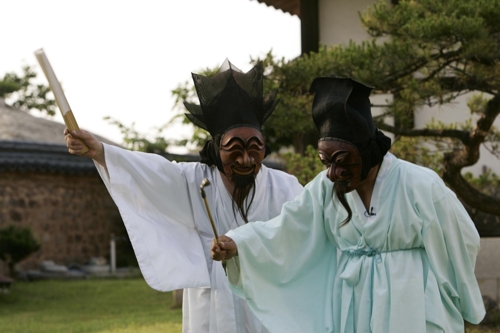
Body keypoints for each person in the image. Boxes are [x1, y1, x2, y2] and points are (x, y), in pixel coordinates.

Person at [211, 77, 486, 332]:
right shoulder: (325, 188)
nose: (333, 172)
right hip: (352, 304)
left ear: (367, 150)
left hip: (411, 305)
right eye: (326, 161)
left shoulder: (421, 184)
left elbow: (460, 239)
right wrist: (239, 243)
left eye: (342, 160)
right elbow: (289, 228)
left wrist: (448, 297)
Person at [64, 60, 303, 333]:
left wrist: (246, 244)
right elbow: (149, 173)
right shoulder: (192, 180)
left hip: (266, 299)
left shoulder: (285, 188)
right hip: (213, 300)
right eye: (234, 149)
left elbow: (303, 234)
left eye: (255, 148)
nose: (246, 159)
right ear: (216, 147)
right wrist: (101, 151)